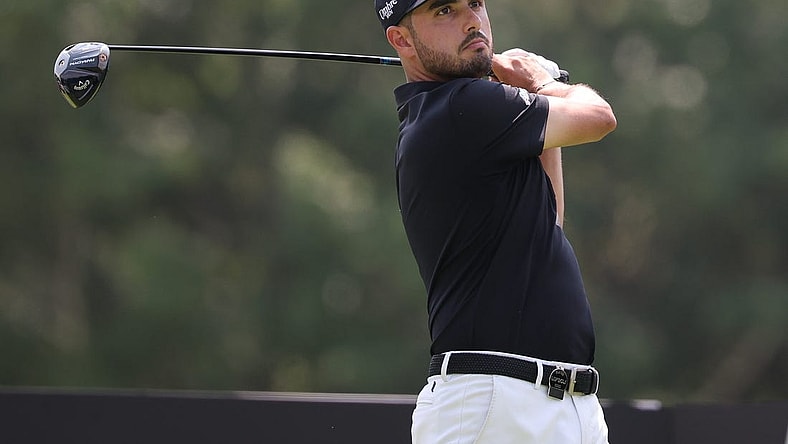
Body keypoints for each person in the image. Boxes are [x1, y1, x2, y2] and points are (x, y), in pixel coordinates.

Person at [374, 0, 618, 442]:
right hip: (496, 403)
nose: (471, 20)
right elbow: (599, 118)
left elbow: (548, 224)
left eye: (475, 4)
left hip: (557, 405)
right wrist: (541, 81)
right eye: (444, 11)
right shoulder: (459, 108)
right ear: (401, 40)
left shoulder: (465, 114)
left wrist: (534, 96)